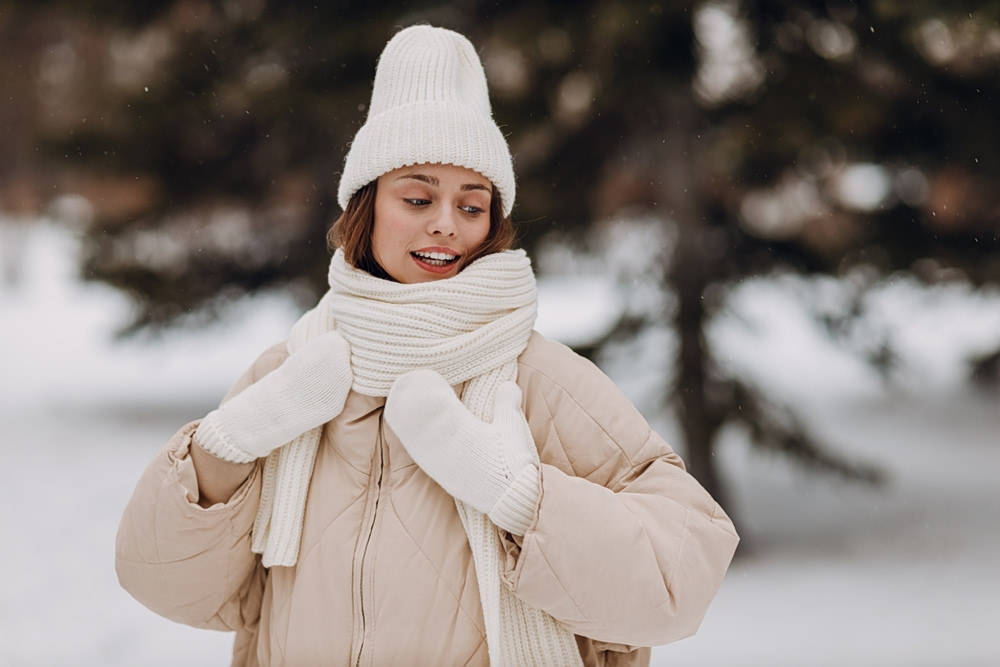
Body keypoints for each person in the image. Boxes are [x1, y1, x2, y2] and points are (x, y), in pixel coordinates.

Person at [115, 24, 739, 667]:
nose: (446, 223)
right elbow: (161, 581)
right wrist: (225, 450)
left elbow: (683, 578)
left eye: (472, 207)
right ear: (367, 206)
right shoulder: (292, 373)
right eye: (418, 197)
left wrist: (520, 497)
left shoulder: (538, 381)